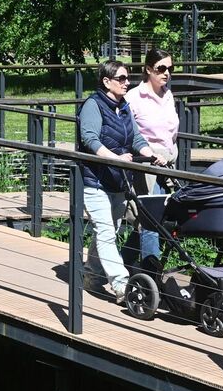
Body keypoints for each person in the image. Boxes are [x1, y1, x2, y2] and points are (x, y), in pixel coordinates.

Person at [75, 57, 154, 301]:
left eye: (128, 78)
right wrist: (116, 158)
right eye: (121, 78)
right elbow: (90, 139)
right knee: (107, 231)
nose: (126, 82)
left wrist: (152, 155)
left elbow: (136, 139)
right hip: (95, 181)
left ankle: (92, 276)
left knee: (109, 231)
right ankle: (121, 285)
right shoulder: (93, 105)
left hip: (118, 181)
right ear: (106, 81)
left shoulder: (124, 106)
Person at [124, 49, 179, 272]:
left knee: (157, 219)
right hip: (146, 164)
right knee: (151, 220)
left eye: (170, 68)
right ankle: (151, 276)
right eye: (161, 68)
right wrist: (146, 154)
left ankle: (122, 264)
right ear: (148, 69)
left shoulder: (168, 95)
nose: (166, 73)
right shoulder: (133, 98)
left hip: (168, 162)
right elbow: (128, 133)